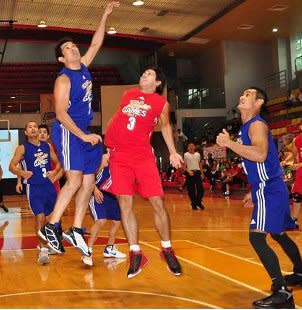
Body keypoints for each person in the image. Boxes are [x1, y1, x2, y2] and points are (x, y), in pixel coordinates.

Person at [216, 87, 302, 309]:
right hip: (266, 187)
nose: (242, 95)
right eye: (243, 92)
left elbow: (260, 154)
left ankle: (282, 292)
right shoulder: (247, 126)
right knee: (278, 234)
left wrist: (229, 143)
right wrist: (253, 189)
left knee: (257, 238)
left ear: (259, 102)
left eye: (248, 94)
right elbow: (261, 163)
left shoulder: (256, 124)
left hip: (270, 189)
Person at [39, 1, 120, 256]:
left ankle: (74, 229)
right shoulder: (63, 79)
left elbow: (96, 43)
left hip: (84, 131)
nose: (73, 48)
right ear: (62, 58)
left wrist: (104, 15)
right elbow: (61, 114)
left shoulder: (83, 66)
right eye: (67, 48)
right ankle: (51, 226)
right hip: (68, 131)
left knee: (87, 180)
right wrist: (83, 135)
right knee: (74, 179)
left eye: (74, 45)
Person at [104, 66, 183, 278]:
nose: (143, 75)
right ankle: (135, 253)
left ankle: (167, 249)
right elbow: (117, 119)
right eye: (144, 73)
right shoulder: (128, 94)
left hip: (142, 156)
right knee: (125, 203)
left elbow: (165, 127)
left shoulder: (160, 103)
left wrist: (173, 152)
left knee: (157, 201)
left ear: (158, 83)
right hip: (120, 156)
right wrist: (107, 147)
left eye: (149, 74)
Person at [9, 121, 62, 265]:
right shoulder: (22, 148)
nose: (33, 128)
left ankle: (47, 242)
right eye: (29, 127)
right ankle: (43, 249)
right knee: (40, 216)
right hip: (34, 187)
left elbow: (58, 162)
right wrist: (22, 173)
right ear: (26, 132)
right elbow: (11, 166)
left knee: (50, 218)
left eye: (35, 127)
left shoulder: (47, 146)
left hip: (49, 186)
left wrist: (55, 171)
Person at [81, 151, 126, 266]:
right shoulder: (104, 158)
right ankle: (88, 251)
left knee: (117, 221)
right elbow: (89, 175)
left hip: (112, 195)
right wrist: (94, 190)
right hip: (98, 192)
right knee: (101, 220)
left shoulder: (122, 159)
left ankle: (109, 248)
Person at [16, 124, 63, 194]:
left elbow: (63, 166)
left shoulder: (53, 148)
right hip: (36, 184)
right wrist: (19, 182)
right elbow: (20, 166)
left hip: (52, 181)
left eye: (45, 132)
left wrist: (56, 176)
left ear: (48, 136)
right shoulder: (26, 147)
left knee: (57, 204)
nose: (42, 134)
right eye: (40, 132)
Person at [290, 116, 302, 229]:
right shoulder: (296, 140)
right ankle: (294, 220)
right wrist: (285, 161)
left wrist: (300, 164)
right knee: (297, 196)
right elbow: (294, 155)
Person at [183, 142, 205, 210]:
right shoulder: (185, 155)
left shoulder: (198, 154)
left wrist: (202, 173)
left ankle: (198, 202)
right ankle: (194, 204)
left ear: (195, 147)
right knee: (191, 190)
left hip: (197, 172)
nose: (192, 147)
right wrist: (188, 171)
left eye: (193, 146)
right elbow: (183, 165)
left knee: (201, 189)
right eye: (190, 146)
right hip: (190, 173)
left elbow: (200, 164)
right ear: (188, 148)